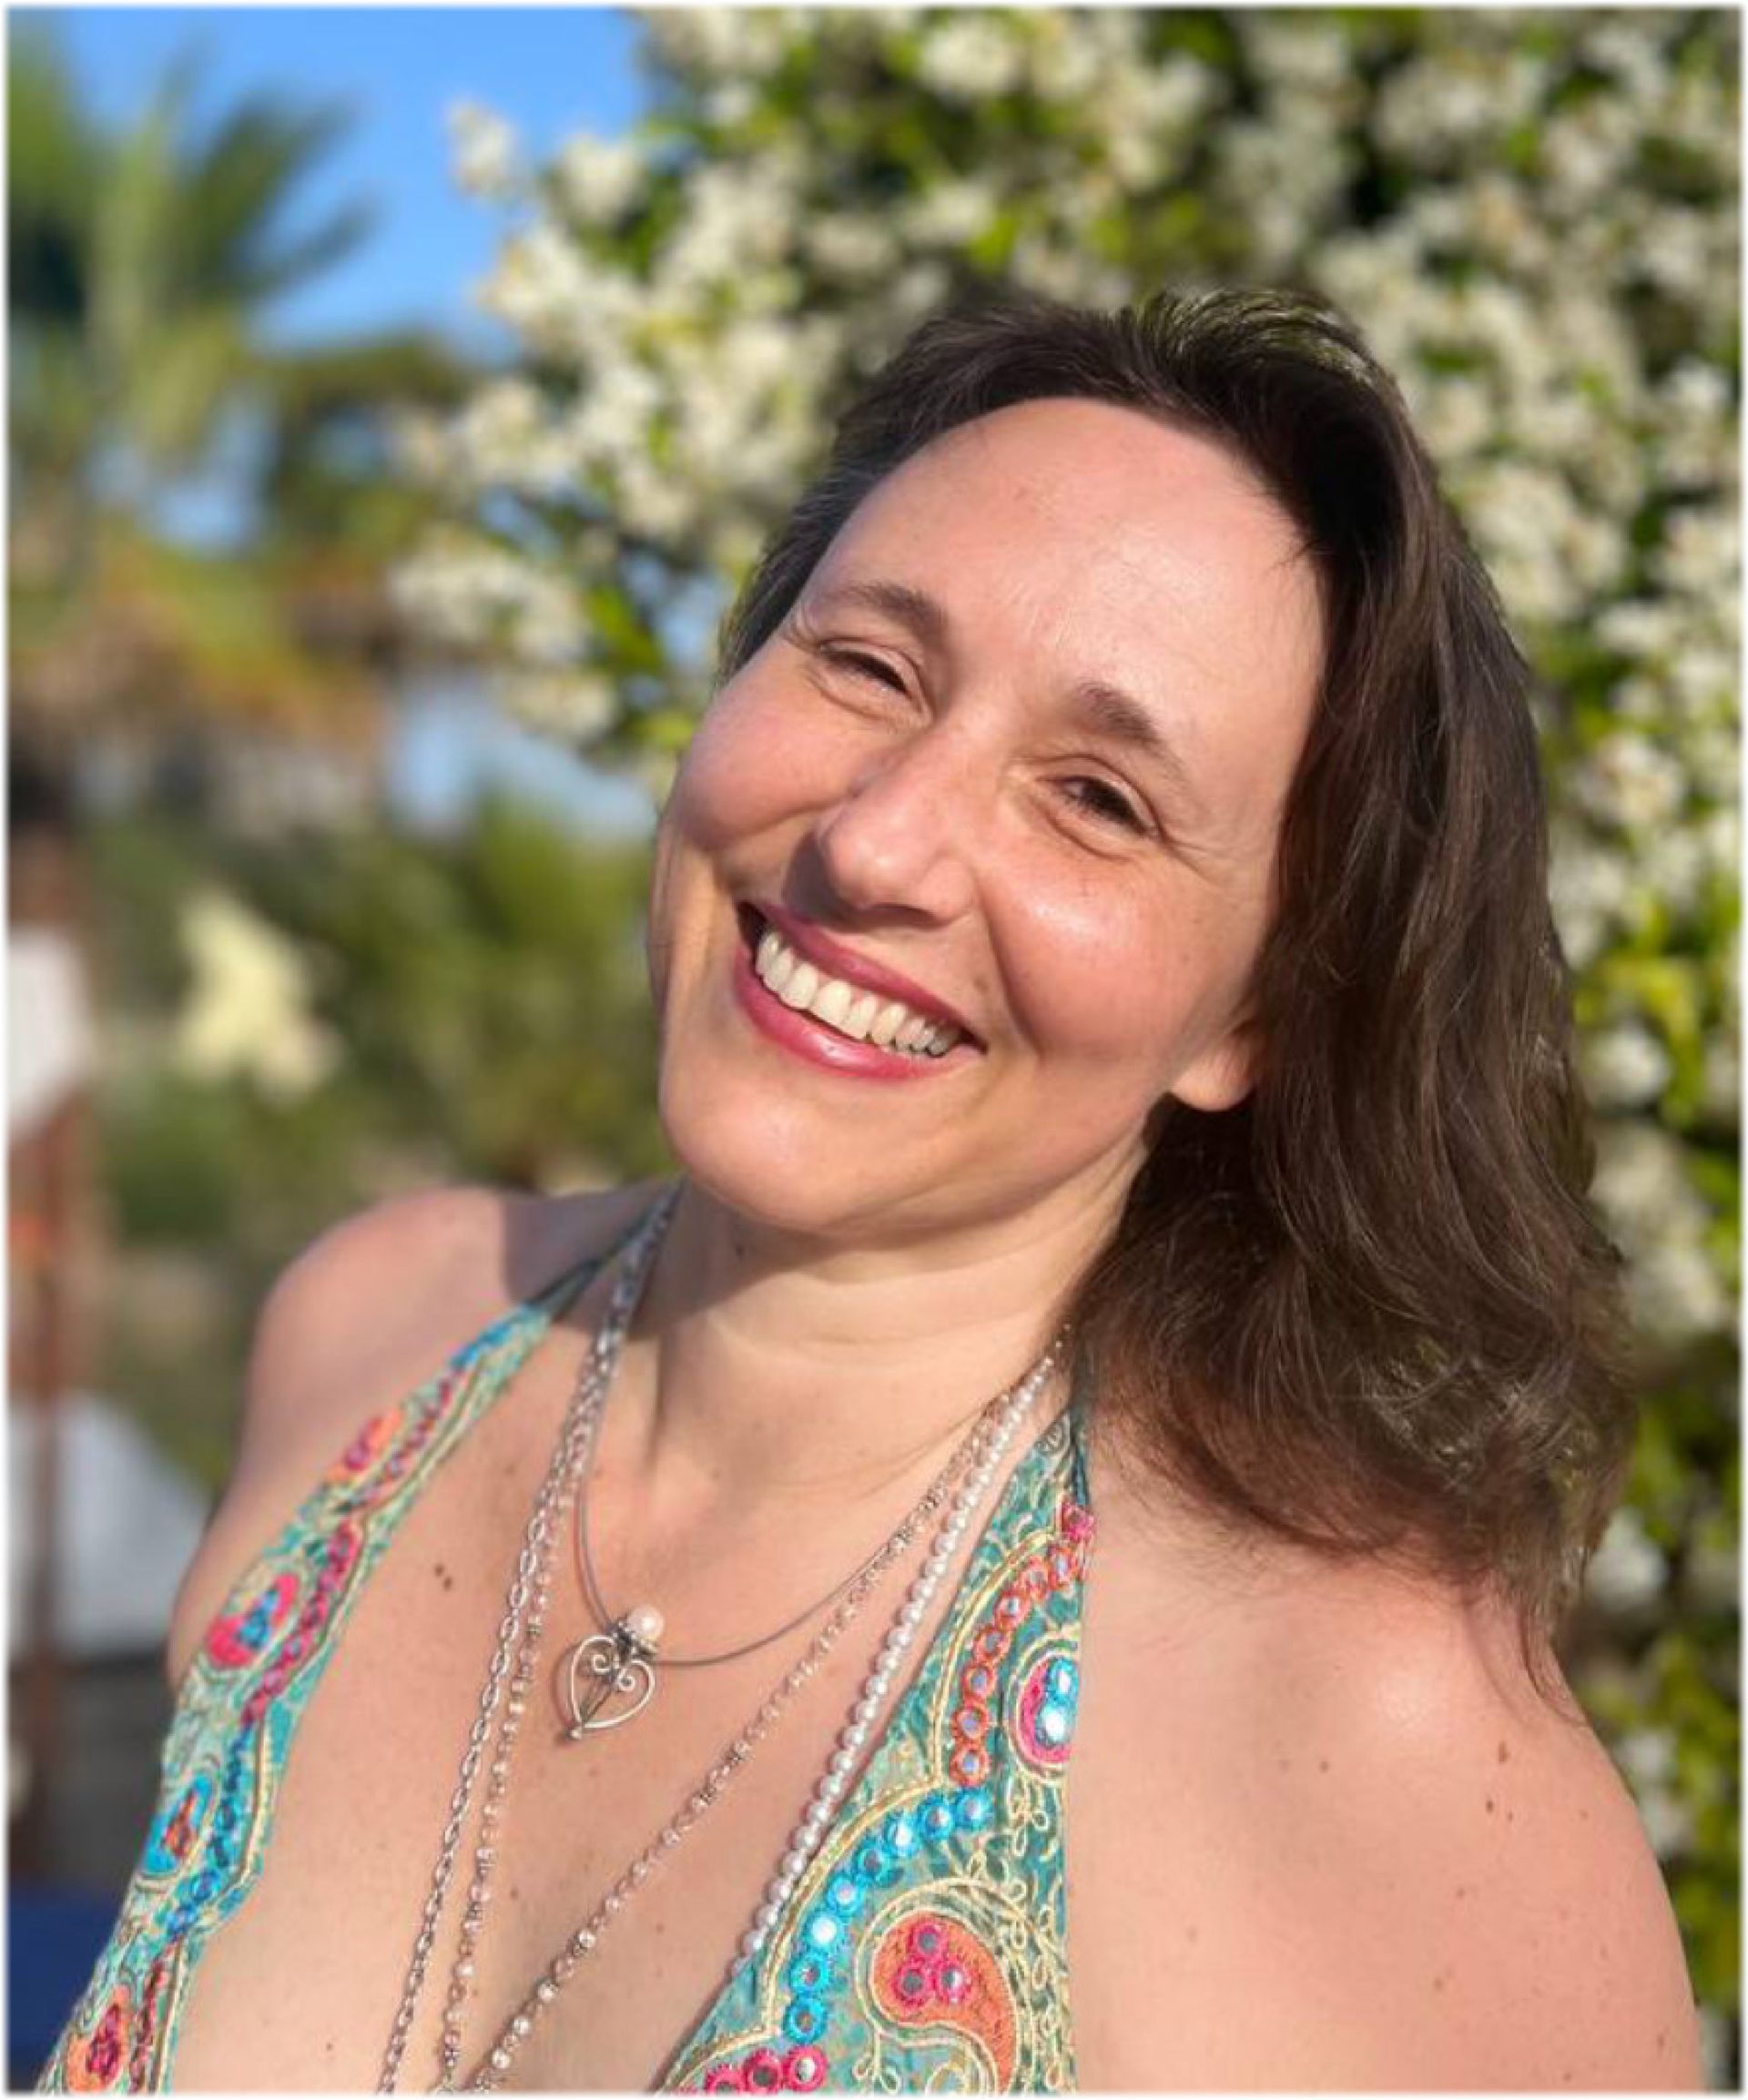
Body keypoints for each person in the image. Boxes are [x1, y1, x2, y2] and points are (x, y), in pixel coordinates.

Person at [43, 287, 1702, 2094]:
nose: (877, 838)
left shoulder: (1370, 1744)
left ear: (1258, 1015)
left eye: (1098, 798)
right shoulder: (373, 1338)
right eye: (869, 667)